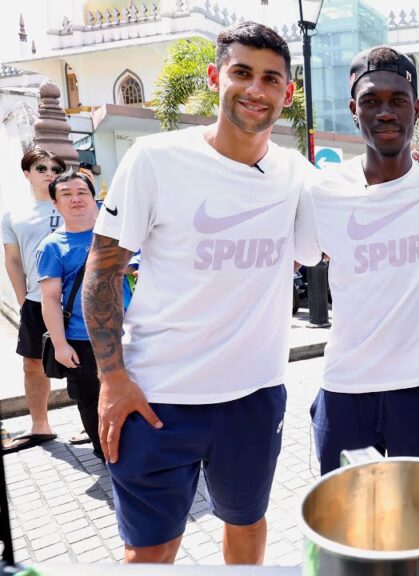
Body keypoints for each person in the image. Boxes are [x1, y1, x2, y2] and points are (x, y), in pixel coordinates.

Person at [83, 22, 314, 564]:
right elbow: (104, 268)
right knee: (149, 553)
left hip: (254, 398)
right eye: (242, 73)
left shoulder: (296, 174)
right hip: (159, 398)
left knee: (248, 526)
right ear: (215, 77)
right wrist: (113, 378)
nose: (256, 89)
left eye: (271, 79)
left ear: (288, 91)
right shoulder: (155, 159)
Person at [297, 47, 419, 475]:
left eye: (397, 100)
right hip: (344, 390)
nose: (385, 112)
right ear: (352, 111)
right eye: (371, 101)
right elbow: (295, 258)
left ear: (416, 108)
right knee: (343, 534)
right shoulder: (322, 191)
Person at [37, 172, 133, 462]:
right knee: (92, 402)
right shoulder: (52, 246)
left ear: (94, 198)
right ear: (55, 204)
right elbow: (50, 298)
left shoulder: (120, 236)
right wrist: (61, 344)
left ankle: (140, 451)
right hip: (83, 339)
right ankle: (107, 455)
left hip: (130, 333)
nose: (76, 198)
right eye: (66, 194)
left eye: (82, 191)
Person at [2, 147, 66, 453]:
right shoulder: (13, 214)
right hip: (36, 302)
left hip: (75, 300)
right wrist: (22, 298)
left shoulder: (72, 203)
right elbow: (12, 260)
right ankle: (41, 426)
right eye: (41, 169)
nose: (49, 174)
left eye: (54, 169)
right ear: (27, 174)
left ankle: (92, 423)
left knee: (88, 364)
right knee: (33, 364)